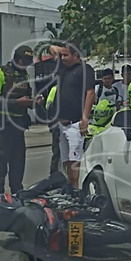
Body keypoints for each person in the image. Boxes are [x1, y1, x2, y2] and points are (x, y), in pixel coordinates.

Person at [0, 46, 41, 196]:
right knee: (0, 165)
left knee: (18, 163)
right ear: (19, 59)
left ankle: (18, 197)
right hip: (1, 126)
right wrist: (17, 102)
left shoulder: (24, 77)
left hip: (18, 125)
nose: (27, 65)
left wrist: (32, 102)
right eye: (26, 62)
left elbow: (25, 98)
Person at [48, 41, 96, 188]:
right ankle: (70, 187)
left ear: (76, 55)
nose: (62, 58)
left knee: (75, 161)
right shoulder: (63, 68)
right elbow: (52, 49)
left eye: (66, 55)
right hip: (61, 124)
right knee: (66, 161)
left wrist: (84, 119)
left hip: (75, 123)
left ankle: (77, 190)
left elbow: (90, 93)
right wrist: (63, 48)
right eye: (61, 55)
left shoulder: (85, 69)